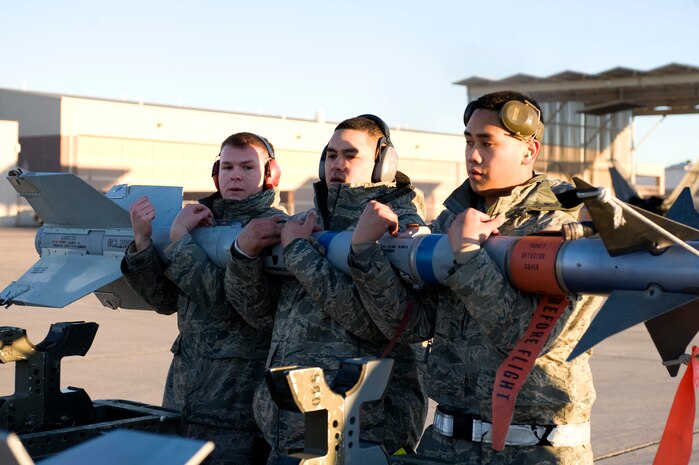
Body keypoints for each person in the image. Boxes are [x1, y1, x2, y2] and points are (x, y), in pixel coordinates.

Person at [349, 91, 601, 465]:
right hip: (447, 445)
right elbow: (412, 325)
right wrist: (366, 255)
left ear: (529, 151)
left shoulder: (566, 234)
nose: (473, 155)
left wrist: (467, 256)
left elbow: (529, 342)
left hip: (533, 450)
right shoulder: (451, 222)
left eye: (488, 142)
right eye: (469, 141)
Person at [226, 115, 428, 463]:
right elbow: (262, 317)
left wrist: (300, 254)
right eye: (331, 155)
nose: (337, 164)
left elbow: (380, 323)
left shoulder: (400, 229)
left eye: (350, 155)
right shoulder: (309, 223)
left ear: (384, 164)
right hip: (289, 430)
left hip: (360, 436)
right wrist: (243, 255)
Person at [121, 132, 287, 465]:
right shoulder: (201, 221)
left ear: (270, 174)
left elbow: (228, 305)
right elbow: (165, 300)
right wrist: (143, 243)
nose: (235, 175)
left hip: (235, 409)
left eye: (246, 167)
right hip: (182, 397)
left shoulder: (275, 231)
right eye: (226, 167)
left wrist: (180, 241)